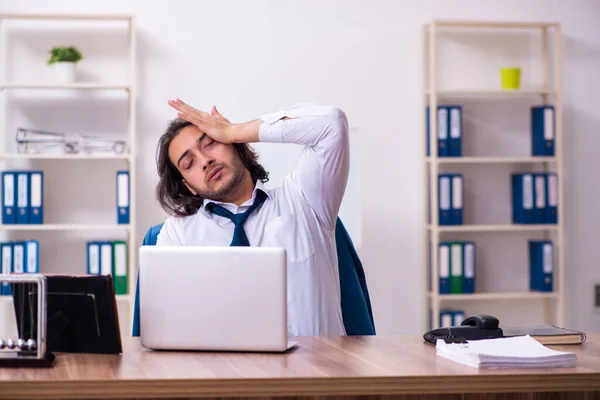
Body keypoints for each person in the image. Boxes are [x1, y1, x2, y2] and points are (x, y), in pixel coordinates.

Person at [154, 99, 350, 337]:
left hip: (317, 370)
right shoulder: (177, 235)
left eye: (211, 143)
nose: (205, 162)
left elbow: (331, 123)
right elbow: (169, 324)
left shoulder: (304, 198)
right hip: (224, 370)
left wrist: (232, 130)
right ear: (189, 186)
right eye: (189, 163)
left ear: (234, 144)